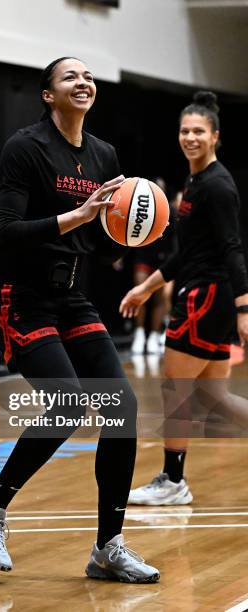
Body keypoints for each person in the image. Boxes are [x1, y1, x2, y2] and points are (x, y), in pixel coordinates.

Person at [0, 57, 159, 583]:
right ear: (48, 95)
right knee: (68, 403)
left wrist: (132, 230)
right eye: (70, 76)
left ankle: (108, 547)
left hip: (70, 295)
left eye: (89, 76)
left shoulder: (103, 154)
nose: (83, 81)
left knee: (121, 407)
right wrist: (79, 215)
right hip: (16, 293)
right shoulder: (25, 148)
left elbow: (93, 239)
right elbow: (5, 231)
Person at [120, 91, 248, 505]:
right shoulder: (194, 184)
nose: (190, 137)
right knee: (214, 397)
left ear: (215, 137)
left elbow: (232, 248)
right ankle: (174, 480)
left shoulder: (218, 187)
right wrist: (146, 287)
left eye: (199, 131)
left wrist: (244, 308)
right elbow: (183, 254)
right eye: (184, 130)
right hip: (204, 292)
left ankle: (173, 481)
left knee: (176, 390)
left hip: (205, 297)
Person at [130, 177, 177, 355]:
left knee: (161, 298)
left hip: (165, 258)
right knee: (139, 292)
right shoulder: (140, 207)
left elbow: (176, 240)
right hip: (144, 256)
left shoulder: (171, 211)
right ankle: (140, 333)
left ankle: (155, 335)